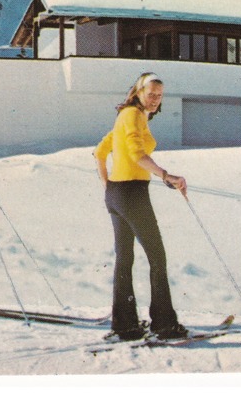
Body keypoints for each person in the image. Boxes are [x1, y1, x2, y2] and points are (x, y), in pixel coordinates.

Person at [93, 72, 189, 343]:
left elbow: (100, 152)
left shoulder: (126, 116)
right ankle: (165, 325)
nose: (156, 99)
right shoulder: (133, 115)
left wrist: (108, 186)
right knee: (157, 258)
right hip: (133, 193)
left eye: (159, 95)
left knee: (125, 259)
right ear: (138, 92)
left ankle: (125, 325)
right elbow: (136, 154)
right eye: (151, 94)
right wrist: (166, 175)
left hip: (117, 194)